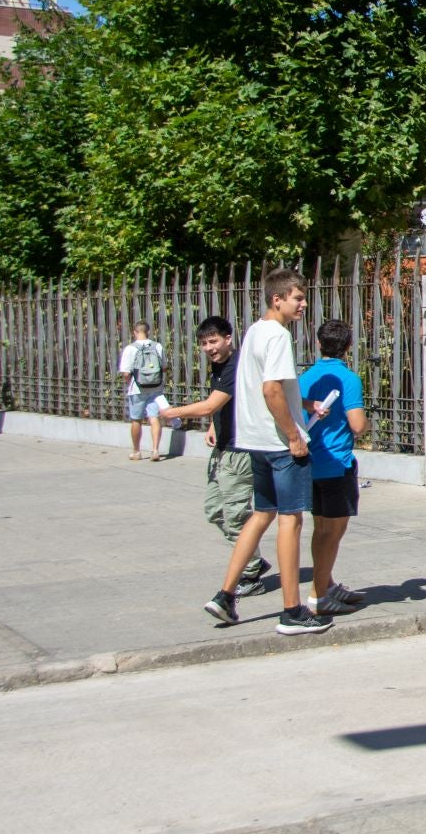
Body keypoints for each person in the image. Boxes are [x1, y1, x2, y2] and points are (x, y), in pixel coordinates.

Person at [202, 268, 330, 635]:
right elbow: (271, 390)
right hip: (279, 444)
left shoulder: (254, 332)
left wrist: (305, 403)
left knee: (261, 515)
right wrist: (293, 433)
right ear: (278, 299)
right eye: (298, 298)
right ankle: (291, 610)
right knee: (291, 520)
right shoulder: (277, 336)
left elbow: (274, 389)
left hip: (256, 441)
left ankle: (226, 595)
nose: (303, 304)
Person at [161, 317, 269, 597]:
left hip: (239, 452)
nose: (209, 348)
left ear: (228, 338)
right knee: (214, 510)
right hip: (222, 449)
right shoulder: (219, 366)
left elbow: (211, 403)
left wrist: (173, 412)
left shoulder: (235, 366)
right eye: (204, 343)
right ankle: (252, 558)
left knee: (235, 516)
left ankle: (251, 572)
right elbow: (225, 403)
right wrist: (213, 424)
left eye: (214, 341)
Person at [299, 318, 370, 617]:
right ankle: (318, 595)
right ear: (349, 346)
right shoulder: (349, 379)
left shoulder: (305, 377)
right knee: (334, 531)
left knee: (320, 529)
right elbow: (357, 425)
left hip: (310, 463)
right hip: (337, 463)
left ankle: (325, 583)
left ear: (318, 344)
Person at [117, 322, 171, 460]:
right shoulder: (157, 346)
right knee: (154, 418)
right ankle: (155, 450)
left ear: (134, 332)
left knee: (136, 420)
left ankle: (136, 451)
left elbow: (125, 372)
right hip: (156, 388)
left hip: (137, 388)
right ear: (148, 332)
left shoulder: (130, 349)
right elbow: (164, 367)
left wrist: (130, 382)